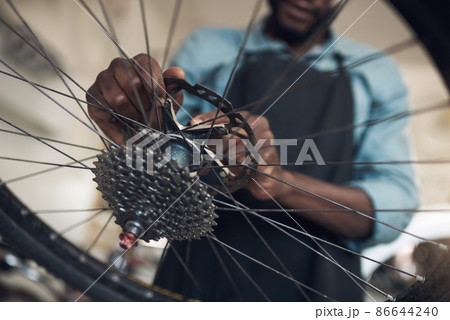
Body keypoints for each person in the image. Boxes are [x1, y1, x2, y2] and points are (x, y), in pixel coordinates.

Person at [87, 0, 418, 301]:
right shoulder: (209, 46)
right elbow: (173, 150)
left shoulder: (374, 72)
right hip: (197, 275)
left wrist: (278, 182)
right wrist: (137, 123)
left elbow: (393, 206)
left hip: (320, 286)